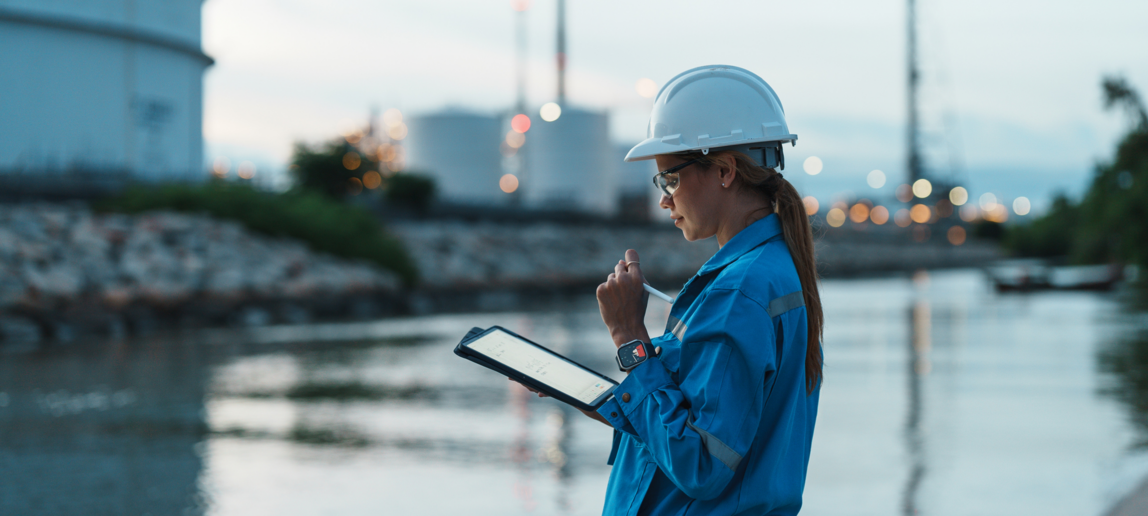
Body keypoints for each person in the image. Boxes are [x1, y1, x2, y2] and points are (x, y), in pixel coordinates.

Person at [592, 65, 824, 516]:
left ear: (723, 170)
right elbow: (700, 416)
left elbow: (700, 464)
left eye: (670, 179)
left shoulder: (739, 292)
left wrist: (628, 337)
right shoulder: (772, 269)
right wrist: (599, 399)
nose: (664, 198)